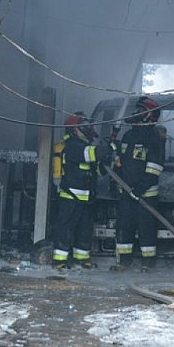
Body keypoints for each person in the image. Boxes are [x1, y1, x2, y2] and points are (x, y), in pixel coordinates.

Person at [52, 113, 112, 271]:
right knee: (65, 230)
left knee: (84, 231)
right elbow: (91, 154)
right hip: (71, 196)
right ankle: (59, 261)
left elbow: (97, 171)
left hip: (87, 197)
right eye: (84, 126)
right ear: (75, 130)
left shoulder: (86, 145)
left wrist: (107, 159)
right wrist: (106, 147)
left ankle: (82, 259)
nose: (88, 128)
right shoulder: (73, 146)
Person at [112, 96, 165, 272]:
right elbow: (120, 162)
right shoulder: (128, 135)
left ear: (149, 115)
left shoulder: (154, 139)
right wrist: (115, 176)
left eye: (140, 110)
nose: (135, 113)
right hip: (126, 194)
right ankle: (124, 262)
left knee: (146, 229)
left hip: (146, 196)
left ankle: (148, 263)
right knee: (124, 227)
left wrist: (139, 189)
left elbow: (155, 169)